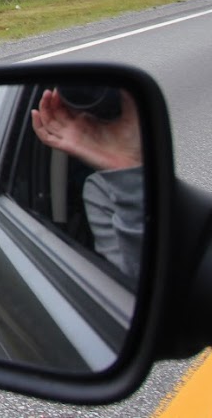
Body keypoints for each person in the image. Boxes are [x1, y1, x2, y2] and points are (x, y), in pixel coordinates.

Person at [30, 87, 144, 279]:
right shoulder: (97, 191)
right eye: (78, 97)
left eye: (109, 89)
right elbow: (140, 276)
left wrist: (131, 163)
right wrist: (124, 170)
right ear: (61, 108)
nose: (94, 102)